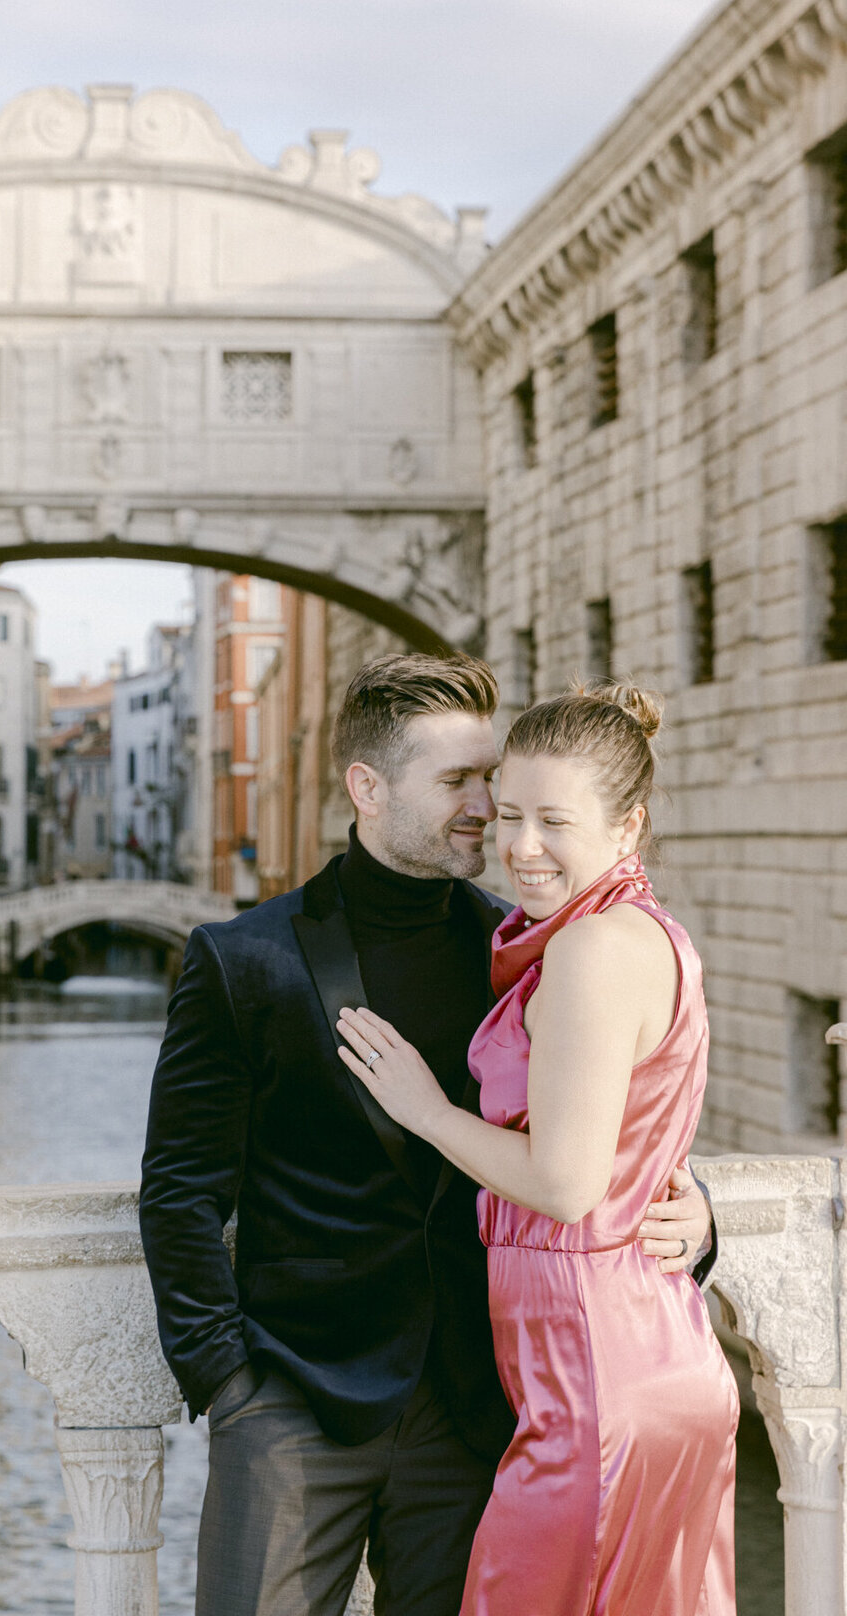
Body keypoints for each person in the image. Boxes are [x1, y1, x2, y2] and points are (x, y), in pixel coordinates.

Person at [140, 653, 714, 1616]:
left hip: (477, 1411)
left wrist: (698, 1213)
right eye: (458, 781)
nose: (488, 808)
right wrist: (231, 1385)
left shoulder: (523, 950)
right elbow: (180, 1191)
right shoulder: (241, 961)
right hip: (295, 1403)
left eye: (491, 778)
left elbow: (608, 1130)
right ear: (367, 787)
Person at [338, 680, 737, 1616]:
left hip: (596, 1384)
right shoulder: (647, 935)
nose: (520, 846)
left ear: (628, 826)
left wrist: (427, 1110)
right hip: (634, 1356)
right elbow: (635, 1129)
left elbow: (563, 1183)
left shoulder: (593, 949)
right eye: (508, 813)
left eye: (555, 821)